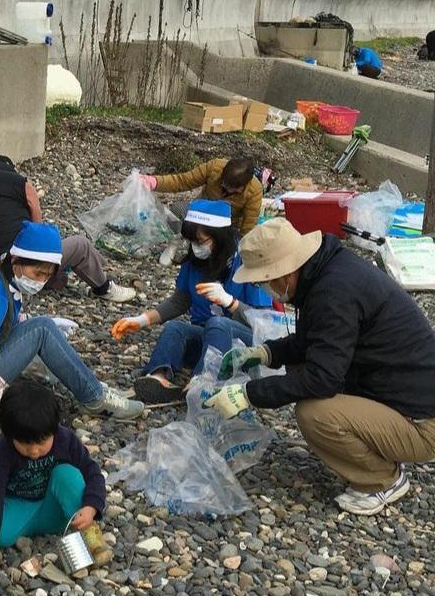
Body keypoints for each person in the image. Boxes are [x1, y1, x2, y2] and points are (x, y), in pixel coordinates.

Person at [203, 218, 435, 516]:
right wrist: (266, 353)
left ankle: (382, 479)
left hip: (422, 421)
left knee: (315, 414)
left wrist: (248, 393)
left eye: (263, 280)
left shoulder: (334, 293)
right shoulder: (327, 272)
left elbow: (322, 379)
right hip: (399, 394)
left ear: (283, 273)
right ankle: (378, 449)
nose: (264, 287)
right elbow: (317, 340)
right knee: (300, 371)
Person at [0, 221, 143, 418]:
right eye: (38, 274)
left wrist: (28, 322)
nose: (42, 282)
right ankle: (95, 399)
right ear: (16, 261)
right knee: (42, 329)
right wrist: (4, 394)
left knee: (42, 328)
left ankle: (89, 385)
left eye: (48, 276)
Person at [112, 200, 272, 405]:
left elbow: (264, 323)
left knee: (218, 324)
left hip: (243, 346)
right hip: (207, 339)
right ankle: (158, 377)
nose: (195, 247)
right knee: (175, 328)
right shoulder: (195, 262)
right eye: (192, 242)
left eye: (200, 241)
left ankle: (203, 382)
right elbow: (181, 299)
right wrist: (142, 320)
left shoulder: (248, 261)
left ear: (219, 237)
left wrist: (231, 303)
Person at [0, 378, 107, 572]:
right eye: (25, 444)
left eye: (41, 443)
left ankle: (91, 537)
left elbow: (92, 472)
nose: (34, 451)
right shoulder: (4, 451)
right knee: (1, 537)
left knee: (67, 474)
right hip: (19, 505)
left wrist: (91, 508)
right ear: (9, 435)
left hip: (56, 506)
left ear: (54, 429)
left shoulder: (66, 440)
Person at [0, 154, 135, 303]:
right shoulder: (21, 184)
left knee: (55, 275)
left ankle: (61, 276)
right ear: (11, 170)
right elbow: (37, 233)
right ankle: (104, 287)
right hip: (16, 264)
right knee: (80, 245)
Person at [139, 156, 263, 258]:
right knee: (177, 209)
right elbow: (183, 181)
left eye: (232, 188)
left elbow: (247, 227)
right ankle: (173, 244)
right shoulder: (214, 167)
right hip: (201, 215)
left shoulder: (254, 191)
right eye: (224, 184)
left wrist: (241, 253)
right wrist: (154, 182)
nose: (227, 189)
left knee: (221, 254)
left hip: (225, 227)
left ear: (244, 185)